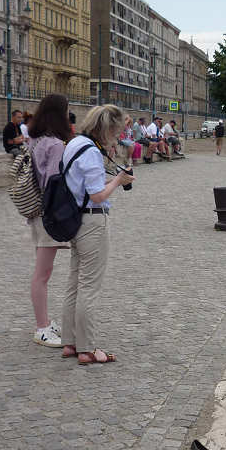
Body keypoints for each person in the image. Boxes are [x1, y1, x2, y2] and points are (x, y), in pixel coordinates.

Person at [58, 104, 135, 365]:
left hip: (75, 219)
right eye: (116, 131)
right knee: (89, 286)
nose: (117, 137)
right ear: (107, 129)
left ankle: (70, 341)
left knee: (74, 283)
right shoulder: (91, 151)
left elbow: (82, 186)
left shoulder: (74, 143)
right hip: (92, 221)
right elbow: (97, 195)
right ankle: (87, 348)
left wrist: (112, 179)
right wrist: (118, 180)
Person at [26, 95, 73, 347]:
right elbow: (55, 181)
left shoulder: (35, 140)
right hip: (49, 212)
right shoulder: (55, 145)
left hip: (36, 211)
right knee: (42, 273)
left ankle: (44, 321)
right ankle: (42, 327)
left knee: (43, 271)